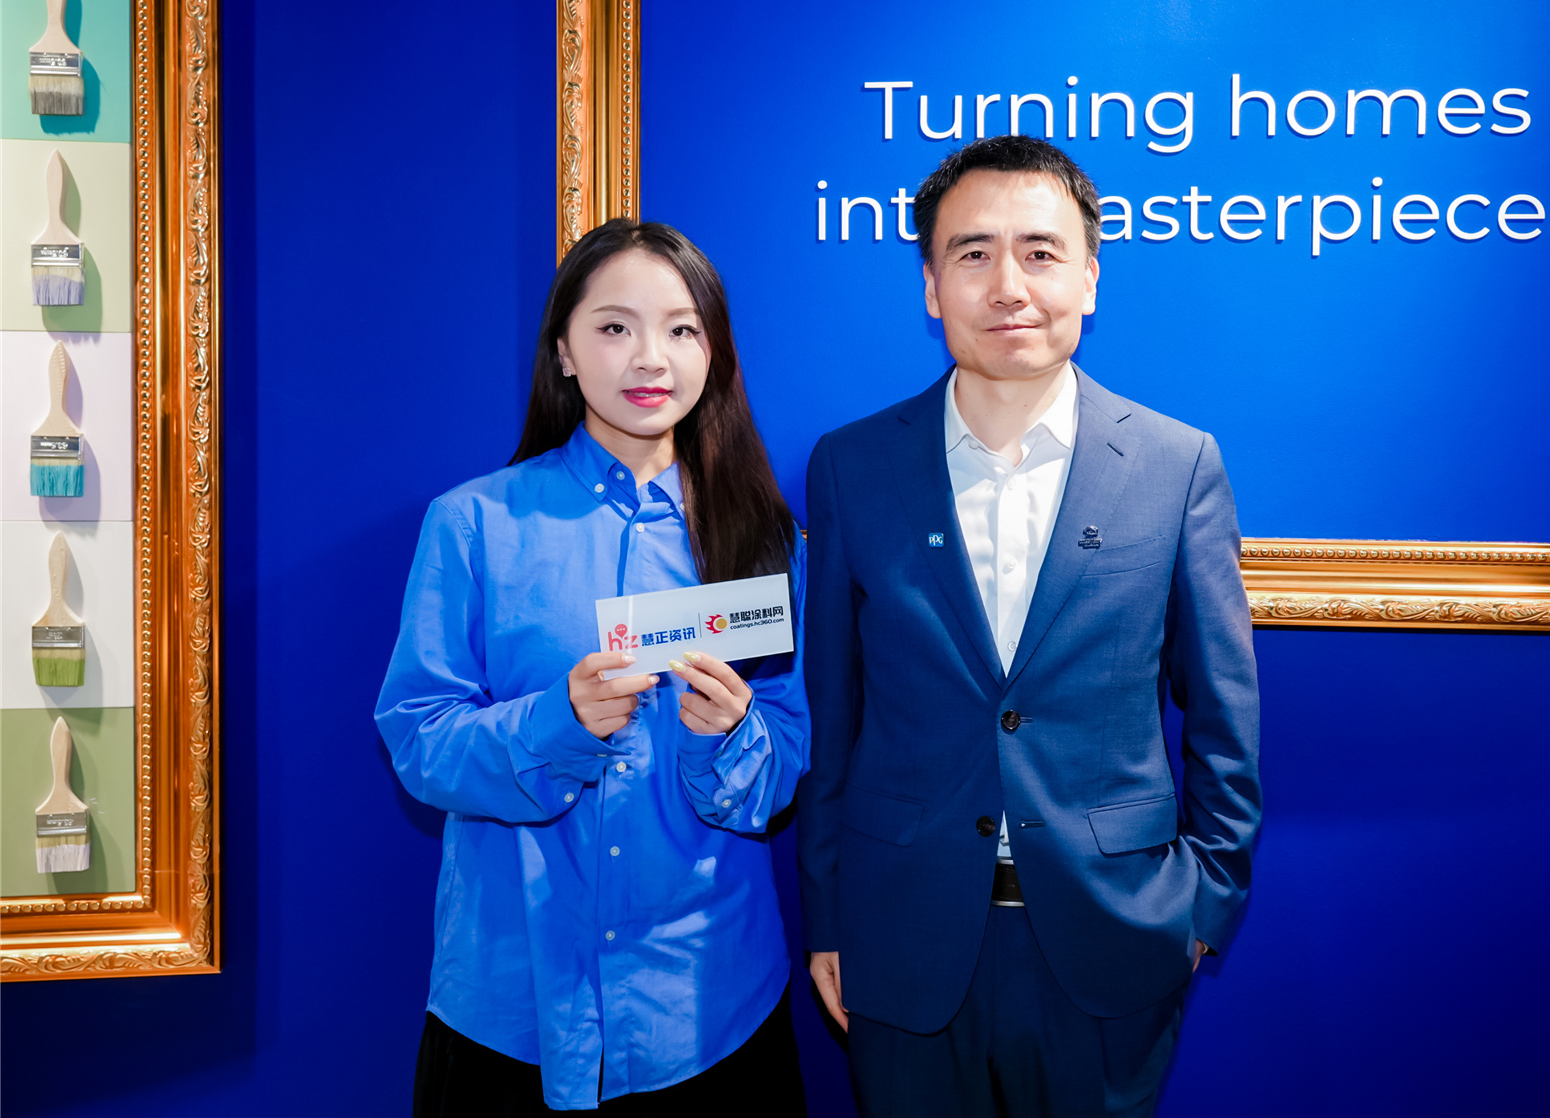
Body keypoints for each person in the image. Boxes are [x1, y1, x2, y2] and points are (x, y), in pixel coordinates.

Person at [798, 136, 1262, 1117]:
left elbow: (1224, 720)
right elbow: (833, 717)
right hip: (903, 935)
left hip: (1111, 940)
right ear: (931, 286)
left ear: (1089, 277)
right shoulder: (850, 466)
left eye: (1040, 252)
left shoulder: (1177, 465)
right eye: (972, 253)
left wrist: (1203, 904)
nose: (1008, 284)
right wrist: (829, 916)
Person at [376, 220, 810, 1115]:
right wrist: (557, 724)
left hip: (709, 1008)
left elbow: (785, 765)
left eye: (682, 329)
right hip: (511, 1007)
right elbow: (418, 744)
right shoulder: (474, 523)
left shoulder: (767, 538)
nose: (650, 357)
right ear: (564, 351)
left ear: (714, 352)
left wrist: (729, 736)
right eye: (615, 327)